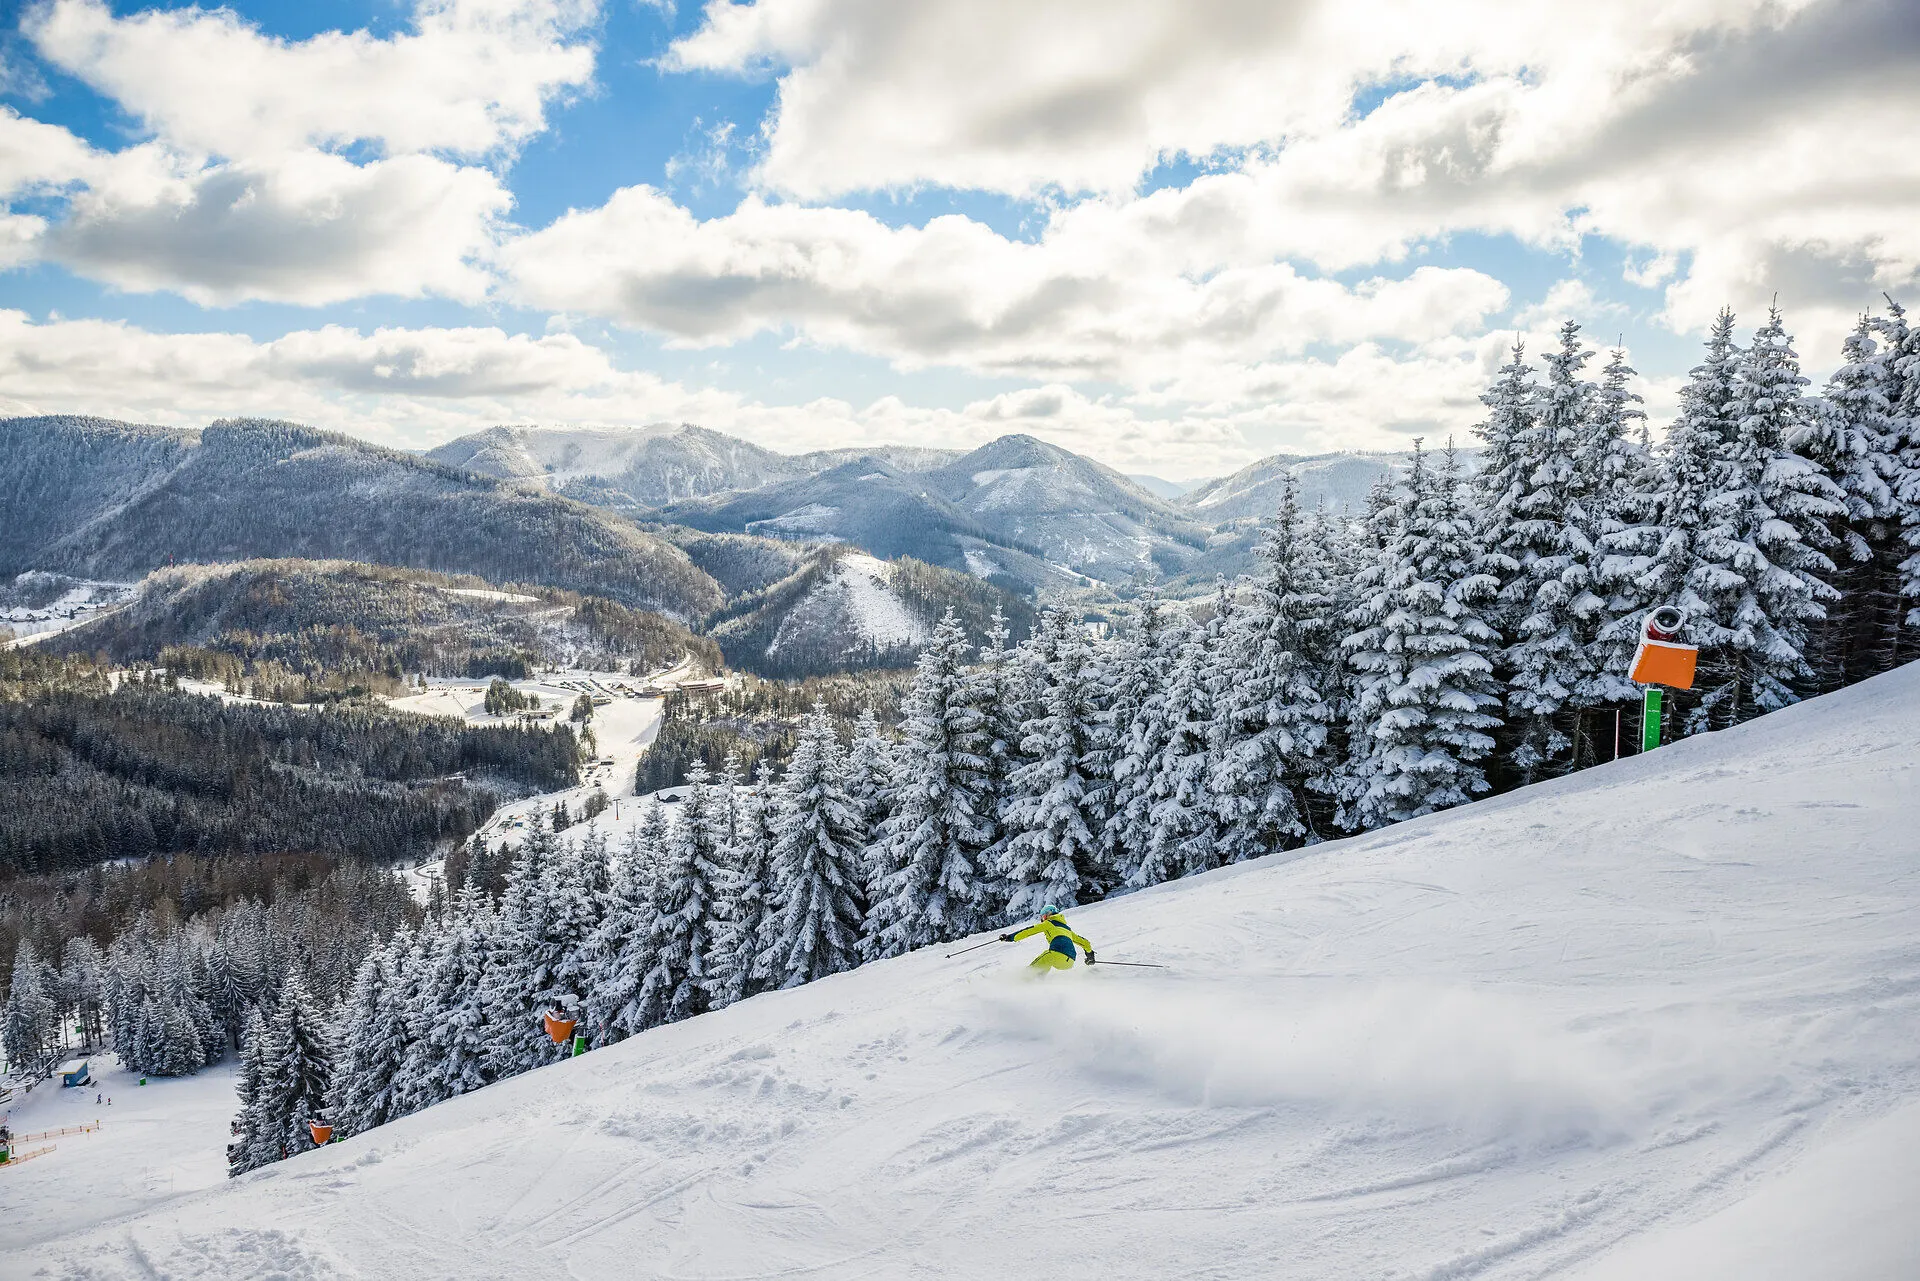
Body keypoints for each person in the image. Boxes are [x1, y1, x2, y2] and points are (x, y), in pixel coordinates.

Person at [1001, 906, 1095, 973]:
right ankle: (1039, 981)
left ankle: (1023, 979)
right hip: (1069, 962)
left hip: (1056, 954)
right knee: (1045, 963)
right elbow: (1085, 942)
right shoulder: (1067, 929)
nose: (1042, 919)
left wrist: (1010, 937)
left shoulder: (1049, 923)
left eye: (1042, 916)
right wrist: (1090, 957)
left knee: (1045, 957)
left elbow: (1029, 931)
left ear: (1047, 915)